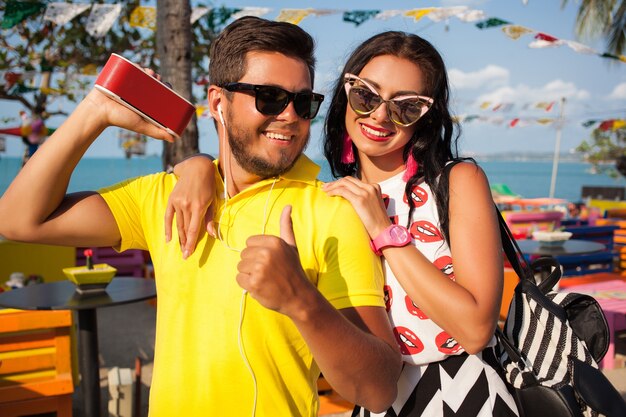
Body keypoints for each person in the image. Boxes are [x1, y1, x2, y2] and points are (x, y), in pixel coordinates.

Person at [0, 17, 402, 417]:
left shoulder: (331, 212)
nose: (290, 116)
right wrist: (96, 111)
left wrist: (303, 302)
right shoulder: (166, 196)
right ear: (216, 103)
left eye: (303, 102)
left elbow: (378, 390)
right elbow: (18, 220)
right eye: (269, 97)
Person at [168, 31, 520, 416]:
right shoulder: (332, 196)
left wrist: (384, 232)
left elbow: (475, 330)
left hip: (460, 392)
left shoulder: (455, 182)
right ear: (345, 94)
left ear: (426, 115)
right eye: (367, 96)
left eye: (407, 106)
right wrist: (198, 165)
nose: (381, 116)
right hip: (374, 399)